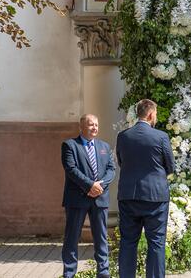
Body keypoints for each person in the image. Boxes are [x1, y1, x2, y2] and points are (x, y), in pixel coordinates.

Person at [116, 99, 176, 278]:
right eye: (155, 114)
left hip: (129, 195)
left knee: (127, 242)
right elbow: (170, 166)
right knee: (156, 243)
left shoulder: (123, 136)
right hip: (155, 197)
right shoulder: (161, 137)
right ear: (150, 114)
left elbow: (121, 162)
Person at [60, 114, 115, 278]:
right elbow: (71, 169)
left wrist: (100, 186)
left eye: (96, 125)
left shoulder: (104, 146)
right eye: (91, 125)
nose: (95, 128)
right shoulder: (70, 145)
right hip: (77, 199)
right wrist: (89, 185)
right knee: (72, 237)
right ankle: (69, 273)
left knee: (101, 237)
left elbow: (111, 170)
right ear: (81, 127)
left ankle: (103, 272)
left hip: (100, 198)